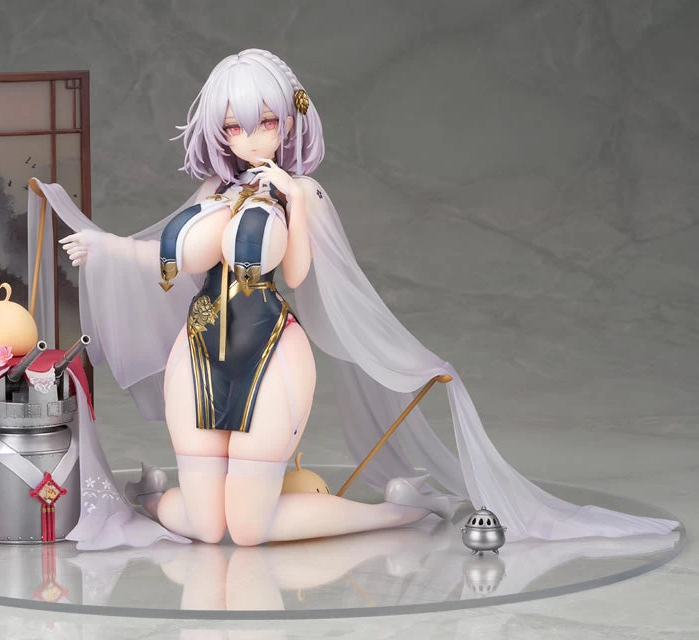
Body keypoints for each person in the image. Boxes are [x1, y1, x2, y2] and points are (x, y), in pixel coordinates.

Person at [49, 49, 678, 546]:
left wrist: (294, 198)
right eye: (235, 125)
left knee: (247, 529)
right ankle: (153, 496)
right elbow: (176, 254)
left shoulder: (300, 193)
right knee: (210, 528)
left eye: (265, 121)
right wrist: (107, 246)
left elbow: (298, 272)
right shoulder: (215, 191)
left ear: (288, 119)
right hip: (198, 352)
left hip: (269, 350)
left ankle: (398, 515)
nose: (250, 136)